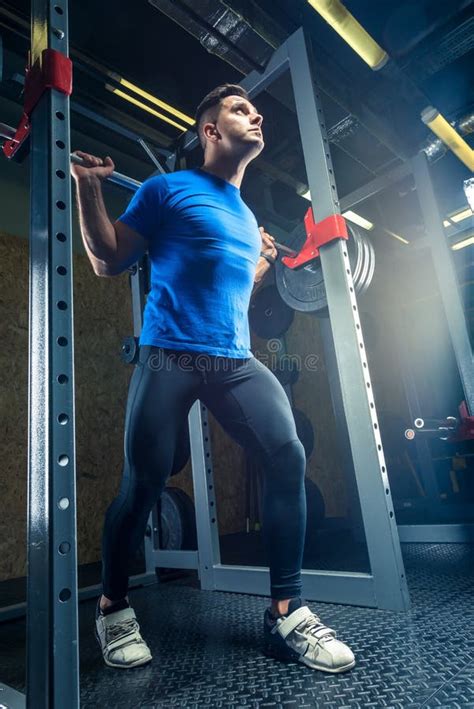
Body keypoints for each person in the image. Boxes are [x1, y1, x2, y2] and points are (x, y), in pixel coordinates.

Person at [72, 84, 355, 674]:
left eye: (255, 110)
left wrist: (259, 265)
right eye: (239, 109)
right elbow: (108, 259)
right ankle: (113, 604)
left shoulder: (248, 217)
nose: (255, 115)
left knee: (287, 453)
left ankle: (287, 611)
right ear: (210, 131)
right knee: (143, 484)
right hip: (169, 354)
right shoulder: (165, 190)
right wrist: (89, 187)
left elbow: (231, 293)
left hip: (232, 358)